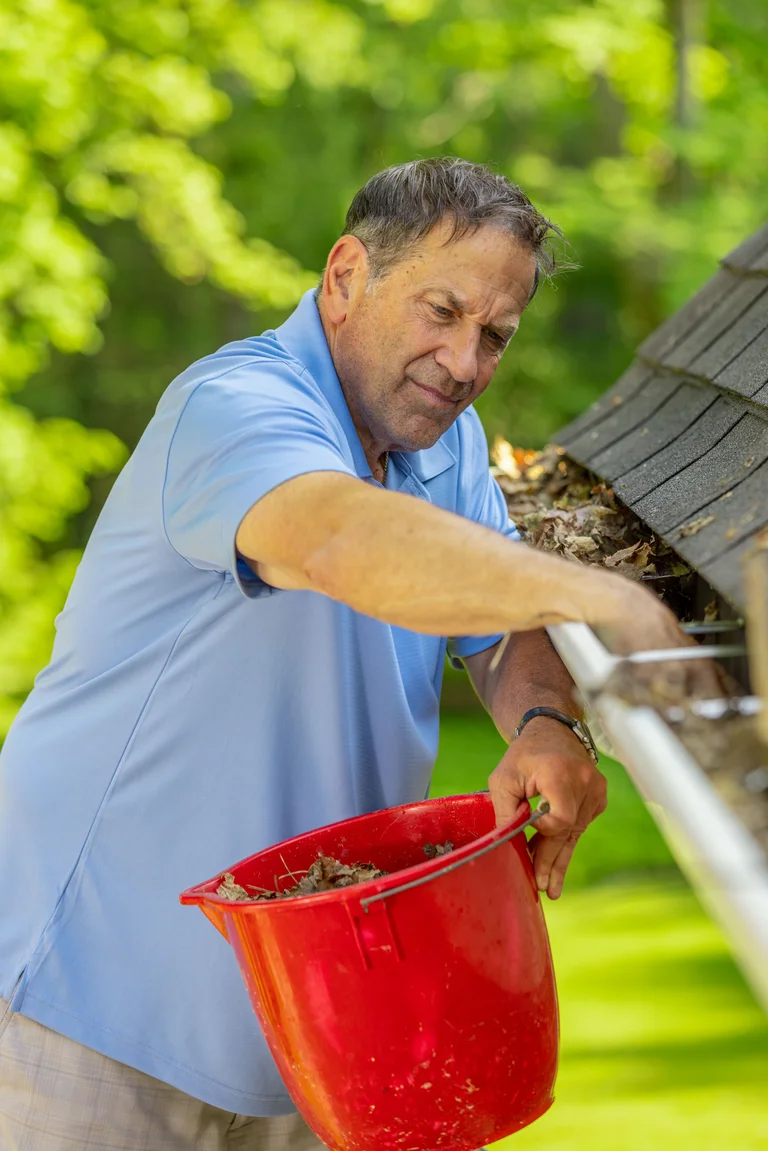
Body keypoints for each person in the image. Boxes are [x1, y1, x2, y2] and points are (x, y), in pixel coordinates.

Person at [0, 158, 686, 1150]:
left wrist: (541, 719)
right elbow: (336, 541)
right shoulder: (234, 407)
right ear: (345, 274)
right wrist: (601, 593)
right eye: (440, 310)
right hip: (90, 1009)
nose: (462, 361)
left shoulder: (444, 440)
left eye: (493, 333)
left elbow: (493, 624)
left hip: (317, 1020)